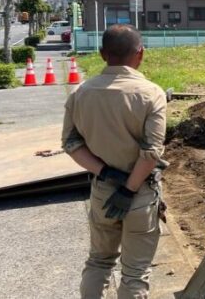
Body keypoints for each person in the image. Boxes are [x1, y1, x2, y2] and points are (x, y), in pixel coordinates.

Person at [61, 24, 167, 299]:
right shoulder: (151, 93)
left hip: (103, 191)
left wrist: (105, 172)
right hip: (140, 192)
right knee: (135, 273)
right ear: (140, 53)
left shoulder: (80, 93)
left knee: (99, 261)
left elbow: (71, 144)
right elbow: (151, 152)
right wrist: (129, 189)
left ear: (101, 54)